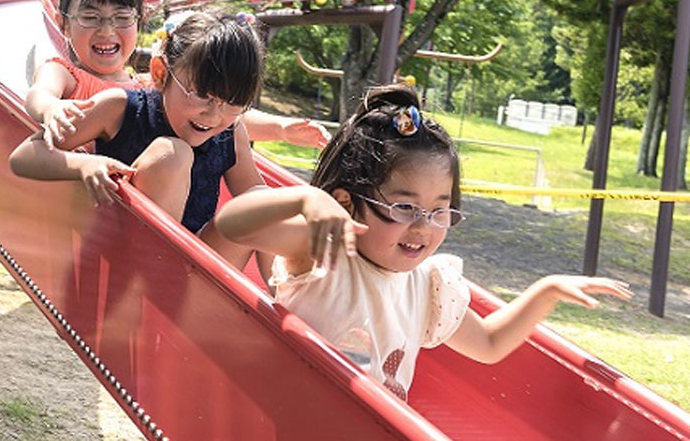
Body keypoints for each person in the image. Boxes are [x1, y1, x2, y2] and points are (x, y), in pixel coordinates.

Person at [203, 84, 632, 400]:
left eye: (440, 210)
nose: (423, 227)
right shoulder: (325, 251)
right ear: (348, 202)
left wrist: (546, 290)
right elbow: (232, 224)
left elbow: (489, 343)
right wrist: (303, 197)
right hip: (292, 430)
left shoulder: (428, 286)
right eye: (405, 208)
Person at [11, 10, 270, 265]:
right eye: (202, 95)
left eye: (233, 103)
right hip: (131, 262)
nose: (213, 115)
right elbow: (24, 156)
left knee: (263, 201)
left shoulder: (230, 131)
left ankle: (284, 296)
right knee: (173, 154)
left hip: (194, 273)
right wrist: (84, 165)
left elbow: (263, 208)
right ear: (160, 74)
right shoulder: (119, 109)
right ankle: (159, 279)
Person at [24, 0, 329, 151]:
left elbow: (222, 113)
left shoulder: (149, 85)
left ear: (139, 21)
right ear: (64, 24)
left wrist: (282, 128)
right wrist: (50, 107)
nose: (106, 30)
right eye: (90, 17)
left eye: (121, 17)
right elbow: (39, 92)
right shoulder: (67, 74)